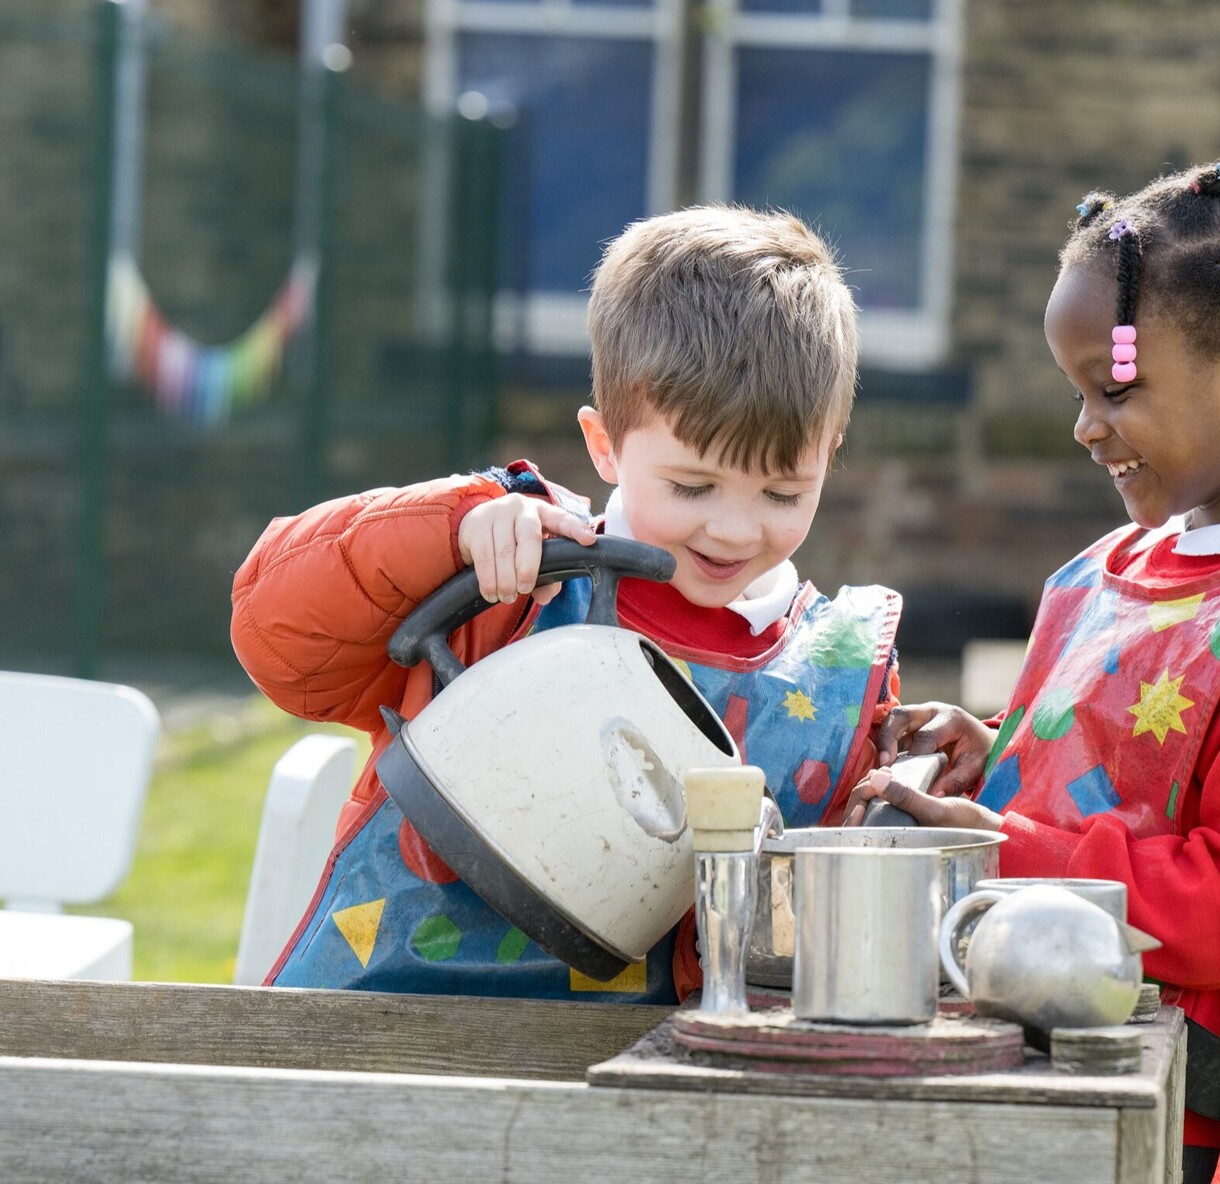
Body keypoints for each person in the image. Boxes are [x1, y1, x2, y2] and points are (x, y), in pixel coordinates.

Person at [848, 142, 1220, 1184]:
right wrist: (985, 763)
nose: (1085, 427)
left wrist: (1002, 846)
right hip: (1003, 1072)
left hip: (1149, 1122)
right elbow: (1113, 791)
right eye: (1075, 392)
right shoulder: (1103, 569)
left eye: (1113, 388)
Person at [231, 206, 901, 1003]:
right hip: (382, 1038)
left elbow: (814, 940)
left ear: (830, 455)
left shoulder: (839, 674)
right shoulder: (516, 575)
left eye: (785, 492)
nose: (735, 528)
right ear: (604, 443)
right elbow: (276, 638)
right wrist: (448, 531)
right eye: (692, 485)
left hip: (628, 1088)